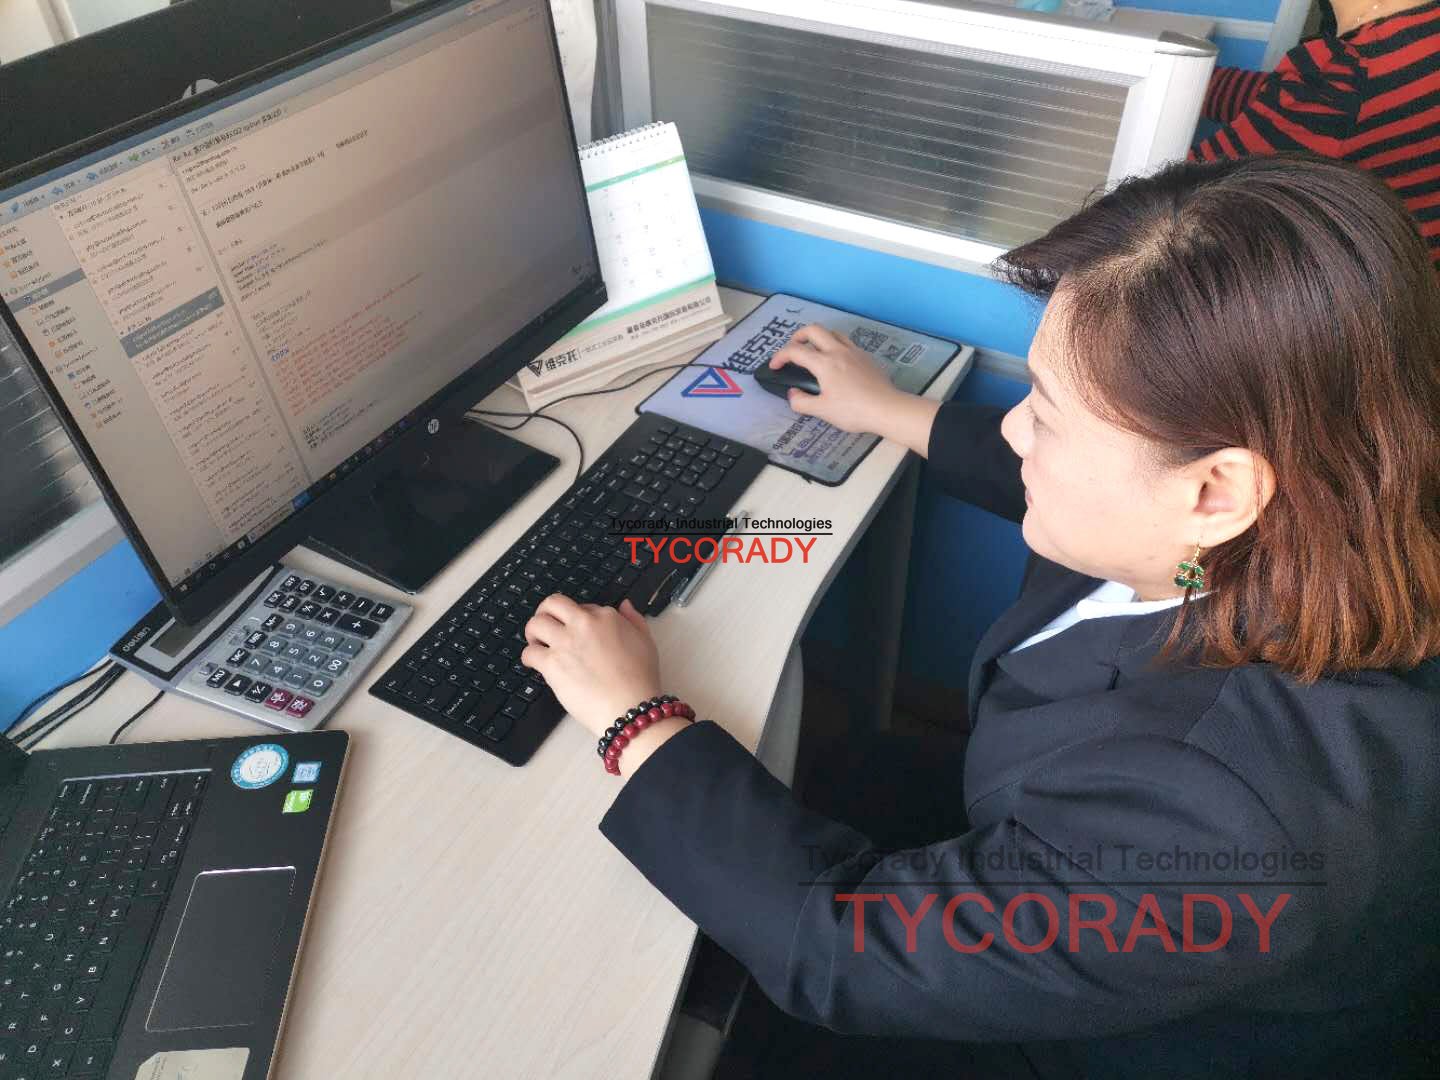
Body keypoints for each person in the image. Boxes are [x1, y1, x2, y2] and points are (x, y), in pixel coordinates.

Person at [519, 154, 1440, 1078]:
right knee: (841, 776)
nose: (1012, 428)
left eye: (1048, 415)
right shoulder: (1320, 504)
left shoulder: (1230, 814)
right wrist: (892, 411)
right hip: (1039, 838)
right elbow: (1085, 490)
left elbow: (850, 954)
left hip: (1088, 1044)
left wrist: (636, 721)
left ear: (1217, 491)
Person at [1189, 0, 1440, 267]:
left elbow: (1172, 200)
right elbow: (1288, 103)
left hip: (1369, 288)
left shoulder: (1341, 82)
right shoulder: (1417, 38)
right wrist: (1183, 80)